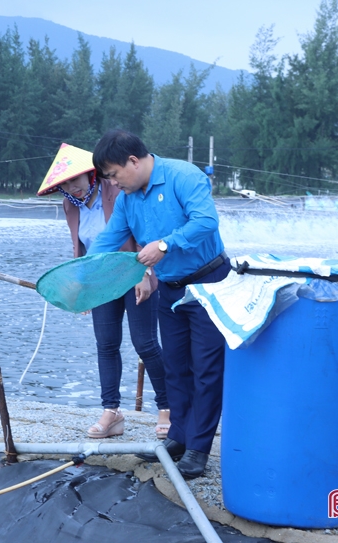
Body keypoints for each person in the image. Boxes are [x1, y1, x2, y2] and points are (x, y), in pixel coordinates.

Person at [88, 129, 229, 479]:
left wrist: (164, 245)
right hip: (170, 288)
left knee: (206, 369)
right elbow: (109, 239)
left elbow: (206, 221)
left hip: (208, 283)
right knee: (175, 366)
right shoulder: (127, 198)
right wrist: (78, 274)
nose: (113, 183)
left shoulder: (184, 176)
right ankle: (178, 438)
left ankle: (199, 448)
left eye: (114, 174)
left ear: (133, 161)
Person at [37, 143, 170, 439]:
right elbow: (82, 249)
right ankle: (112, 412)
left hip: (135, 272)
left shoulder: (118, 190)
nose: (72, 186)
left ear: (91, 174)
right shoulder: (70, 204)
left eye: (76, 179)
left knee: (145, 343)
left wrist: (144, 273)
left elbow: (141, 233)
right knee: (106, 344)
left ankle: (167, 407)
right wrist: (80, 286)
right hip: (101, 280)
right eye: (65, 183)